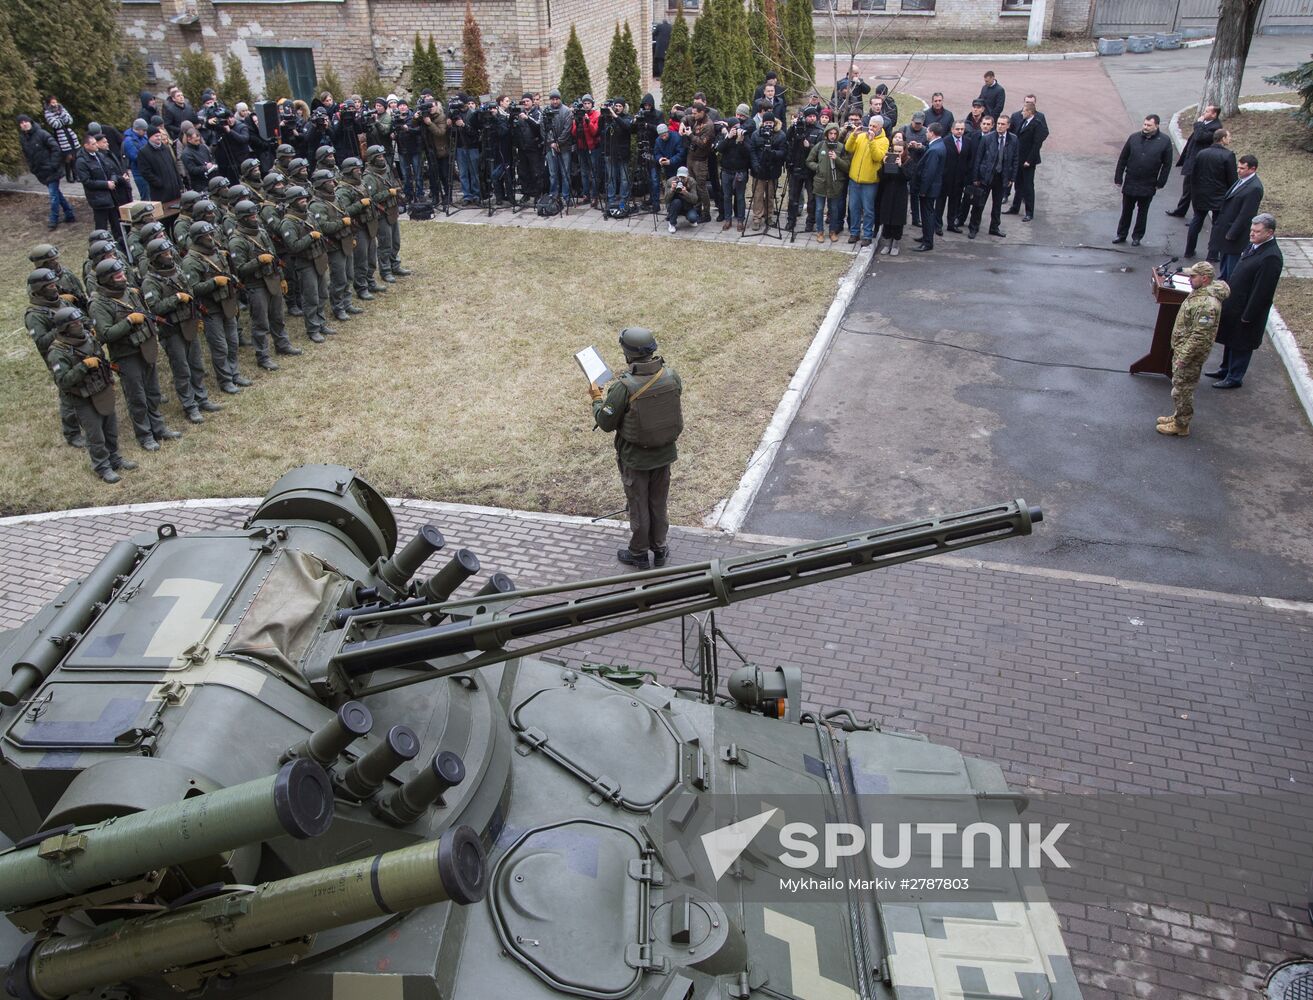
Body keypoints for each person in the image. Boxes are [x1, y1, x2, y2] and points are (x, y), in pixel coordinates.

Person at [588, 327, 683, 570]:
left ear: (627, 354)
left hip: (636, 459)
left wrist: (597, 399)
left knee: (639, 506)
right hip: (664, 455)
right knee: (658, 504)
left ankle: (639, 553)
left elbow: (606, 422)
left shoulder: (623, 387)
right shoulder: (671, 376)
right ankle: (660, 549)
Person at [88, 259, 181, 452]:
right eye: (118, 276)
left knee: (153, 391)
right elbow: (105, 334)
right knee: (136, 396)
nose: (123, 277)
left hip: (145, 348)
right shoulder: (98, 305)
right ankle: (145, 434)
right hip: (126, 355)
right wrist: (129, 322)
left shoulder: (131, 293)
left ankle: (158, 427)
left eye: (123, 274)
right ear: (107, 280)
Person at [46, 307, 136, 483]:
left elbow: (102, 359)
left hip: (102, 389)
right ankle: (102, 466)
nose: (80, 324)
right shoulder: (57, 352)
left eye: (80, 321)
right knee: (95, 434)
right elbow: (63, 381)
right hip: (82, 397)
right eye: (75, 323)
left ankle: (115, 458)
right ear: (65, 328)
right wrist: (83, 366)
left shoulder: (89, 338)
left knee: (110, 428)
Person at [140, 236, 218, 424]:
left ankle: (202, 398)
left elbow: (190, 293)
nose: (169, 256)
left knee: (196, 364)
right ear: (155, 258)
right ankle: (190, 406)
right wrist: (176, 298)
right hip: (172, 330)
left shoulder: (177, 271)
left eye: (169, 252)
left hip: (188, 323)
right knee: (182, 370)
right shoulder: (150, 282)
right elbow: (155, 308)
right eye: (165, 254)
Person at [1155, 261, 1230, 437]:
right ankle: (1178, 415)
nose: (1189, 279)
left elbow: (1200, 336)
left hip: (1189, 354)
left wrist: (1183, 357)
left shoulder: (1207, 305)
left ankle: (1181, 425)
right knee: (1180, 387)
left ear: (1204, 279)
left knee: (1182, 389)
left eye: (1193, 276)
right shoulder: (1200, 292)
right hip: (1184, 349)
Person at [1209, 213, 1282, 389]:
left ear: (1269, 233)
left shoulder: (1271, 257)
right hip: (1235, 305)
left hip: (1247, 310)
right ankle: (1225, 369)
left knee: (1241, 343)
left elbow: (1262, 291)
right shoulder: (1255, 246)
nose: (1252, 234)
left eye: (1257, 231)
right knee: (1230, 339)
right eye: (1251, 230)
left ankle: (1234, 377)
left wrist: (1249, 315)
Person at [228, 199, 302, 369]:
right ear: (242, 218)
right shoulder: (236, 241)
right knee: (260, 323)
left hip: (273, 279)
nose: (255, 217)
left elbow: (275, 258)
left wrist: (282, 277)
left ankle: (282, 344)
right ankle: (263, 356)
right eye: (251, 215)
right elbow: (239, 269)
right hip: (256, 285)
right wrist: (258, 261)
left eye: (255, 214)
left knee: (277, 316)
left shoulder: (261, 232)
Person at [182, 219, 249, 389]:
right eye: (206, 236)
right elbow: (193, 289)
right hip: (210, 309)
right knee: (220, 347)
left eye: (211, 234)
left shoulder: (218, 253)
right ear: (197, 239)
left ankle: (234, 373)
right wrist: (214, 283)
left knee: (233, 342)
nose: (211, 238)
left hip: (226, 303)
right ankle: (225, 380)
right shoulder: (191, 262)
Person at [26, 267, 85, 447]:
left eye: (54, 283)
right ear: (40, 289)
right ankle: (72, 432)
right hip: (59, 355)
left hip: (79, 348)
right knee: (68, 393)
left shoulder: (62, 302)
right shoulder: (34, 315)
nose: (55, 287)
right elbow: (42, 342)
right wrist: (61, 327)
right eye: (50, 285)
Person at [278, 186, 332, 343]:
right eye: (300, 200)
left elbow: (320, 231)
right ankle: (313, 328)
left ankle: (321, 322)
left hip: (319, 258)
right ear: (292, 202)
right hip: (305, 262)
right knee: (311, 297)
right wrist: (310, 237)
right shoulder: (287, 223)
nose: (304, 202)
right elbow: (293, 246)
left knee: (323, 293)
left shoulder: (308, 216)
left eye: (304, 199)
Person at [1113, 115, 1173, 246]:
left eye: (1149, 125)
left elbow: (1167, 164)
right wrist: (1118, 177)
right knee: (1126, 211)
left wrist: (1160, 182)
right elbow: (1123, 158)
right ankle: (1121, 234)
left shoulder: (1164, 141)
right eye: (1144, 124)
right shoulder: (1133, 138)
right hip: (1131, 181)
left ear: (1156, 126)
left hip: (1148, 183)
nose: (1145, 127)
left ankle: (1137, 236)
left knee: (1142, 212)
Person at [308, 170, 358, 323]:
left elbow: (346, 214)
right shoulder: (317, 205)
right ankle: (338, 307)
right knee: (339, 278)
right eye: (328, 181)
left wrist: (351, 234)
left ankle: (347, 302)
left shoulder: (336, 198)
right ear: (320, 184)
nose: (333, 183)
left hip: (346, 240)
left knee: (349, 274)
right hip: (334, 245)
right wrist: (342, 223)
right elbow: (324, 227)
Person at [1207, 154, 1263, 280]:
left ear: (1252, 169)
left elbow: (1246, 215)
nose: (1238, 171)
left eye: (1242, 168)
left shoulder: (1254, 188)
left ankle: (1228, 292)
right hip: (1225, 231)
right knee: (1224, 265)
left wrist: (1232, 233)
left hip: (1234, 236)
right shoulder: (1242, 181)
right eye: (1238, 167)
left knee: (1231, 269)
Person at [1183, 129, 1235, 260]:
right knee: (1217, 225)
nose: (1230, 139)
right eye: (1228, 137)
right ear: (1222, 139)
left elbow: (1194, 174)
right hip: (1219, 195)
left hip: (1200, 193)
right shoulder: (1228, 155)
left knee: (1197, 220)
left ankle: (1189, 250)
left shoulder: (1202, 153)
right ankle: (1212, 254)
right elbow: (1232, 179)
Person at [18, 114, 76, 229]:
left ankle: (53, 220)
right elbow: (27, 155)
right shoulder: (23, 138)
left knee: (53, 195)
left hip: (51, 170)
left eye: (26, 121)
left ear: (30, 121)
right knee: (57, 194)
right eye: (21, 122)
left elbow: (55, 148)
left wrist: (53, 164)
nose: (24, 124)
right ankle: (69, 214)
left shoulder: (42, 134)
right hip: (40, 171)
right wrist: (32, 168)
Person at [363, 144, 409, 281]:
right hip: (381, 214)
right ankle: (385, 270)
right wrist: (388, 193)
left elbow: (392, 183)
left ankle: (395, 264)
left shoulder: (386, 169)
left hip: (392, 209)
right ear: (372, 159)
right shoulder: (368, 177)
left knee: (396, 241)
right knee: (385, 243)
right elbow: (371, 198)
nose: (382, 158)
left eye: (383, 155)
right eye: (379, 156)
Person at [1168, 104, 1223, 217]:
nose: (1204, 113)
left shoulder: (1215, 127)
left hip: (1200, 164)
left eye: (1207, 111)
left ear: (1214, 114)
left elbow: (1199, 137)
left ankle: (1196, 217)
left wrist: (1198, 123)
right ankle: (1181, 210)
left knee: (1195, 190)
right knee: (1188, 188)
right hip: (1193, 160)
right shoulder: (1206, 124)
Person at [75, 133, 128, 248]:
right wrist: (106, 184)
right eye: (93, 144)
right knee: (101, 227)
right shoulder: (81, 161)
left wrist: (113, 181)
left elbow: (111, 170)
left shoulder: (100, 155)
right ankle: (101, 248)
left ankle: (122, 248)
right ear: (86, 145)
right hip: (98, 199)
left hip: (112, 196)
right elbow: (87, 181)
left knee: (117, 224)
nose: (96, 146)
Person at [968, 115, 1017, 240]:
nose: (1000, 126)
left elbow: (1015, 160)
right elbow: (978, 159)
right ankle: (973, 228)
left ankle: (994, 227)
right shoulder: (988, 139)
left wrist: (1012, 178)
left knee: (997, 205)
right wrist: (976, 177)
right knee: (979, 204)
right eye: (999, 123)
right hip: (986, 176)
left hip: (1002, 177)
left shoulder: (1013, 139)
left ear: (1008, 126)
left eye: (1003, 124)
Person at [844, 115, 887, 248]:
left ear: (880, 127)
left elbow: (877, 157)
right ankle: (854, 232)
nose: (871, 128)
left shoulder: (884, 141)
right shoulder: (862, 136)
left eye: (874, 126)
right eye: (870, 125)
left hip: (870, 181)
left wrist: (872, 141)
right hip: (854, 179)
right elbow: (848, 148)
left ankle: (867, 235)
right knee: (853, 207)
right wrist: (853, 136)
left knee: (868, 210)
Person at [1007, 95, 1049, 221]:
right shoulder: (1024, 121)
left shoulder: (1037, 124)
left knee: (1028, 186)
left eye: (1024, 111)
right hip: (1019, 158)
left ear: (1030, 112)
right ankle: (1015, 207)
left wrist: (1029, 160)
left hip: (1028, 160)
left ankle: (1029, 212)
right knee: (1018, 184)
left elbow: (1037, 144)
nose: (1022, 113)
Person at [807, 121, 849, 243]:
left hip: (835, 183)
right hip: (820, 183)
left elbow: (847, 166)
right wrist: (818, 167)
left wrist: (837, 159)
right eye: (830, 133)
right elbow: (809, 161)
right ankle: (820, 231)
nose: (832, 136)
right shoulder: (820, 146)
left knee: (834, 209)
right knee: (819, 209)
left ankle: (832, 231)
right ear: (826, 134)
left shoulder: (841, 147)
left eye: (835, 133)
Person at [746, 111, 786, 232]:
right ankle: (757, 218)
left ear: (774, 123)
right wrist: (755, 165)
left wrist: (772, 153)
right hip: (759, 171)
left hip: (773, 170)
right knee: (757, 195)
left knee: (770, 195)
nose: (768, 124)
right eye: (766, 122)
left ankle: (769, 216)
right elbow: (752, 151)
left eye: (770, 122)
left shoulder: (780, 135)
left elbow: (783, 152)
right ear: (763, 123)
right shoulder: (756, 134)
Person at [784, 105, 821, 233]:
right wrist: (792, 126)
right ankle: (791, 220)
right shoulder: (797, 128)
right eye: (809, 116)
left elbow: (820, 150)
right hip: (796, 167)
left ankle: (810, 222)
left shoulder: (819, 130)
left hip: (811, 170)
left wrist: (809, 146)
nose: (812, 118)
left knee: (812, 199)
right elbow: (788, 140)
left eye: (814, 116)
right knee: (793, 198)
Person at [716, 106, 753, 232]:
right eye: (734, 127)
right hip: (726, 171)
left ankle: (740, 221)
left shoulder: (743, 136)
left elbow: (748, 153)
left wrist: (741, 141)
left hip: (740, 171)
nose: (737, 129)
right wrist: (728, 137)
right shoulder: (725, 137)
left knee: (740, 197)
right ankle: (728, 219)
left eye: (738, 126)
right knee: (727, 196)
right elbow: (719, 149)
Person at [875, 132, 909, 256]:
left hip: (900, 194)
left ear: (904, 151)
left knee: (897, 219)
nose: (897, 154)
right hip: (888, 193)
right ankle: (887, 241)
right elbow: (881, 177)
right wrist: (885, 165)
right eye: (895, 151)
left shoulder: (908, 161)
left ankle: (896, 243)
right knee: (887, 217)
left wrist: (900, 167)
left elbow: (908, 177)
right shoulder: (889, 159)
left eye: (900, 152)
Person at [913, 123, 945, 252]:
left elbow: (929, 172)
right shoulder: (936, 146)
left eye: (927, 132)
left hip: (929, 189)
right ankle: (926, 236)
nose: (926, 133)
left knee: (927, 214)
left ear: (932, 133)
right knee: (927, 213)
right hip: (932, 188)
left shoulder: (934, 150)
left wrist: (923, 191)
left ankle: (928, 242)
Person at [682, 102, 715, 225]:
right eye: (693, 113)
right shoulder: (696, 119)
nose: (693, 115)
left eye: (695, 113)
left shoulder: (708, 125)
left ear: (702, 112)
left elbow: (702, 143)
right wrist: (682, 124)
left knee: (701, 187)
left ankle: (706, 213)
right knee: (692, 185)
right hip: (691, 157)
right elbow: (685, 117)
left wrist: (690, 135)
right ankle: (696, 209)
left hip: (700, 161)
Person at [601, 98, 634, 217]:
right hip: (610, 152)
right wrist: (603, 115)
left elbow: (627, 127)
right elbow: (601, 130)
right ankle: (611, 199)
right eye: (616, 106)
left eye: (620, 106)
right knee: (611, 178)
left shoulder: (627, 118)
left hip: (623, 153)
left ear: (623, 107)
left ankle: (623, 200)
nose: (618, 108)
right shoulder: (609, 118)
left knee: (624, 178)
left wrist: (615, 116)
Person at [136, 124, 182, 204]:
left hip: (174, 189)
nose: (159, 138)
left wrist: (179, 183)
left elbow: (174, 166)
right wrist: (159, 183)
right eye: (156, 136)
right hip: (161, 192)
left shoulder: (166, 148)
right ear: (149, 137)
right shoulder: (144, 152)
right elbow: (145, 172)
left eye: (159, 135)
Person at [542, 90, 573, 206]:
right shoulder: (546, 111)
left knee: (565, 173)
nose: (555, 101)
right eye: (553, 99)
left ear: (560, 99)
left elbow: (567, 129)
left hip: (564, 147)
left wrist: (558, 142)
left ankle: (566, 196)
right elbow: (543, 128)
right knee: (553, 173)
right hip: (550, 148)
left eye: (556, 99)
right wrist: (551, 143)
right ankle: (554, 195)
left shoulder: (566, 111)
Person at [942, 119, 970, 234]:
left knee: (955, 203)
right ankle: (937, 225)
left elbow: (969, 160)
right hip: (946, 178)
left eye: (962, 129)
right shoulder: (945, 141)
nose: (959, 131)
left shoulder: (968, 142)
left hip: (959, 179)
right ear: (952, 129)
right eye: (957, 129)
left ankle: (951, 224)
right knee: (940, 203)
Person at [42, 96, 79, 182]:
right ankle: (68, 176)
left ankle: (75, 175)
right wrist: (61, 120)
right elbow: (55, 124)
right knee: (68, 156)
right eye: (53, 103)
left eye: (55, 102)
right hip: (60, 134)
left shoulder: (62, 109)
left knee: (74, 155)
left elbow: (69, 121)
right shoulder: (47, 112)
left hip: (69, 132)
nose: (55, 104)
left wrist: (61, 114)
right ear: (49, 104)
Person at [666, 165, 700, 233]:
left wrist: (686, 193)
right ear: (677, 176)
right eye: (680, 177)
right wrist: (672, 189)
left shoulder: (692, 182)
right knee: (676, 202)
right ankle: (672, 223)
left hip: (687, 205)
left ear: (688, 176)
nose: (681, 179)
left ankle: (688, 216)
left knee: (693, 218)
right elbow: (666, 200)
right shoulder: (670, 181)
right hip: (674, 205)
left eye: (684, 177)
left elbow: (695, 200)